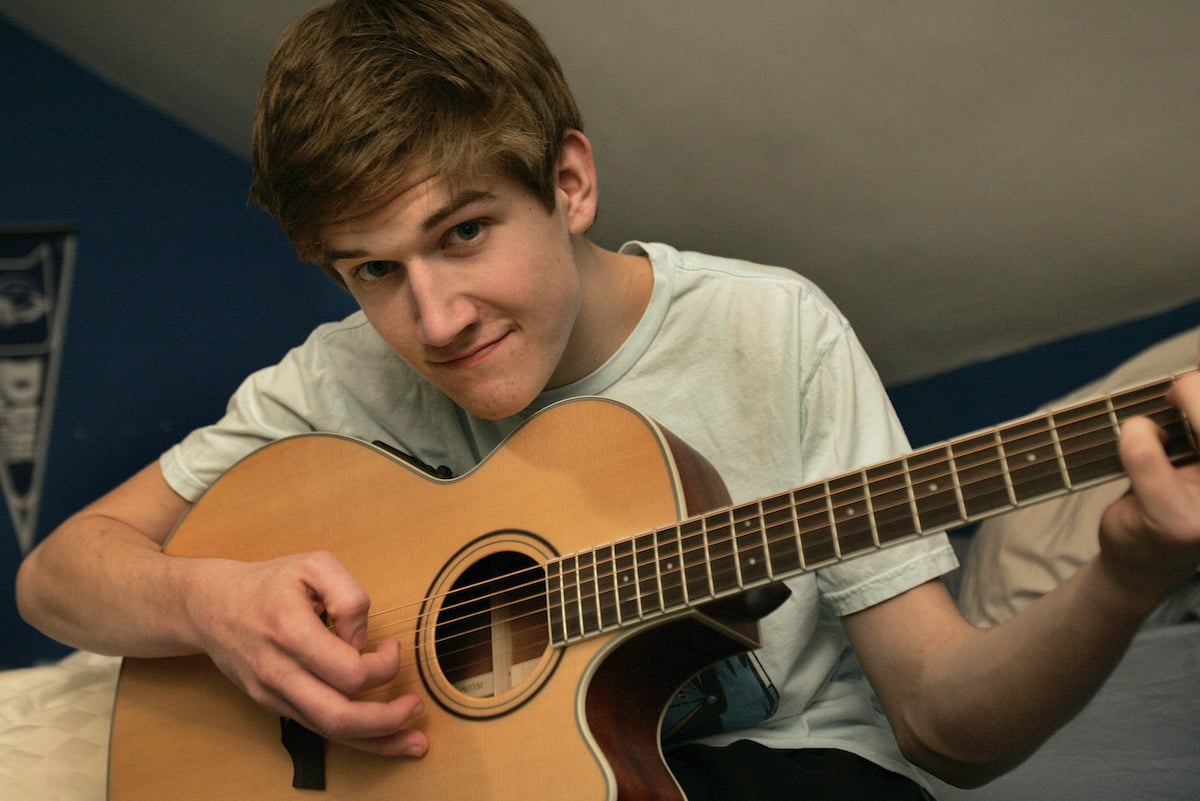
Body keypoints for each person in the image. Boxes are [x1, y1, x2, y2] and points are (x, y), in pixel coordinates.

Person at [15, 1, 1200, 798]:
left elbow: (947, 721)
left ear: (569, 182)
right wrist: (213, 602)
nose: (434, 320)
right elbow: (60, 575)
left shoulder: (768, 329)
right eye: (375, 270)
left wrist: (1125, 570)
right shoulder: (340, 375)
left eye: (465, 232)